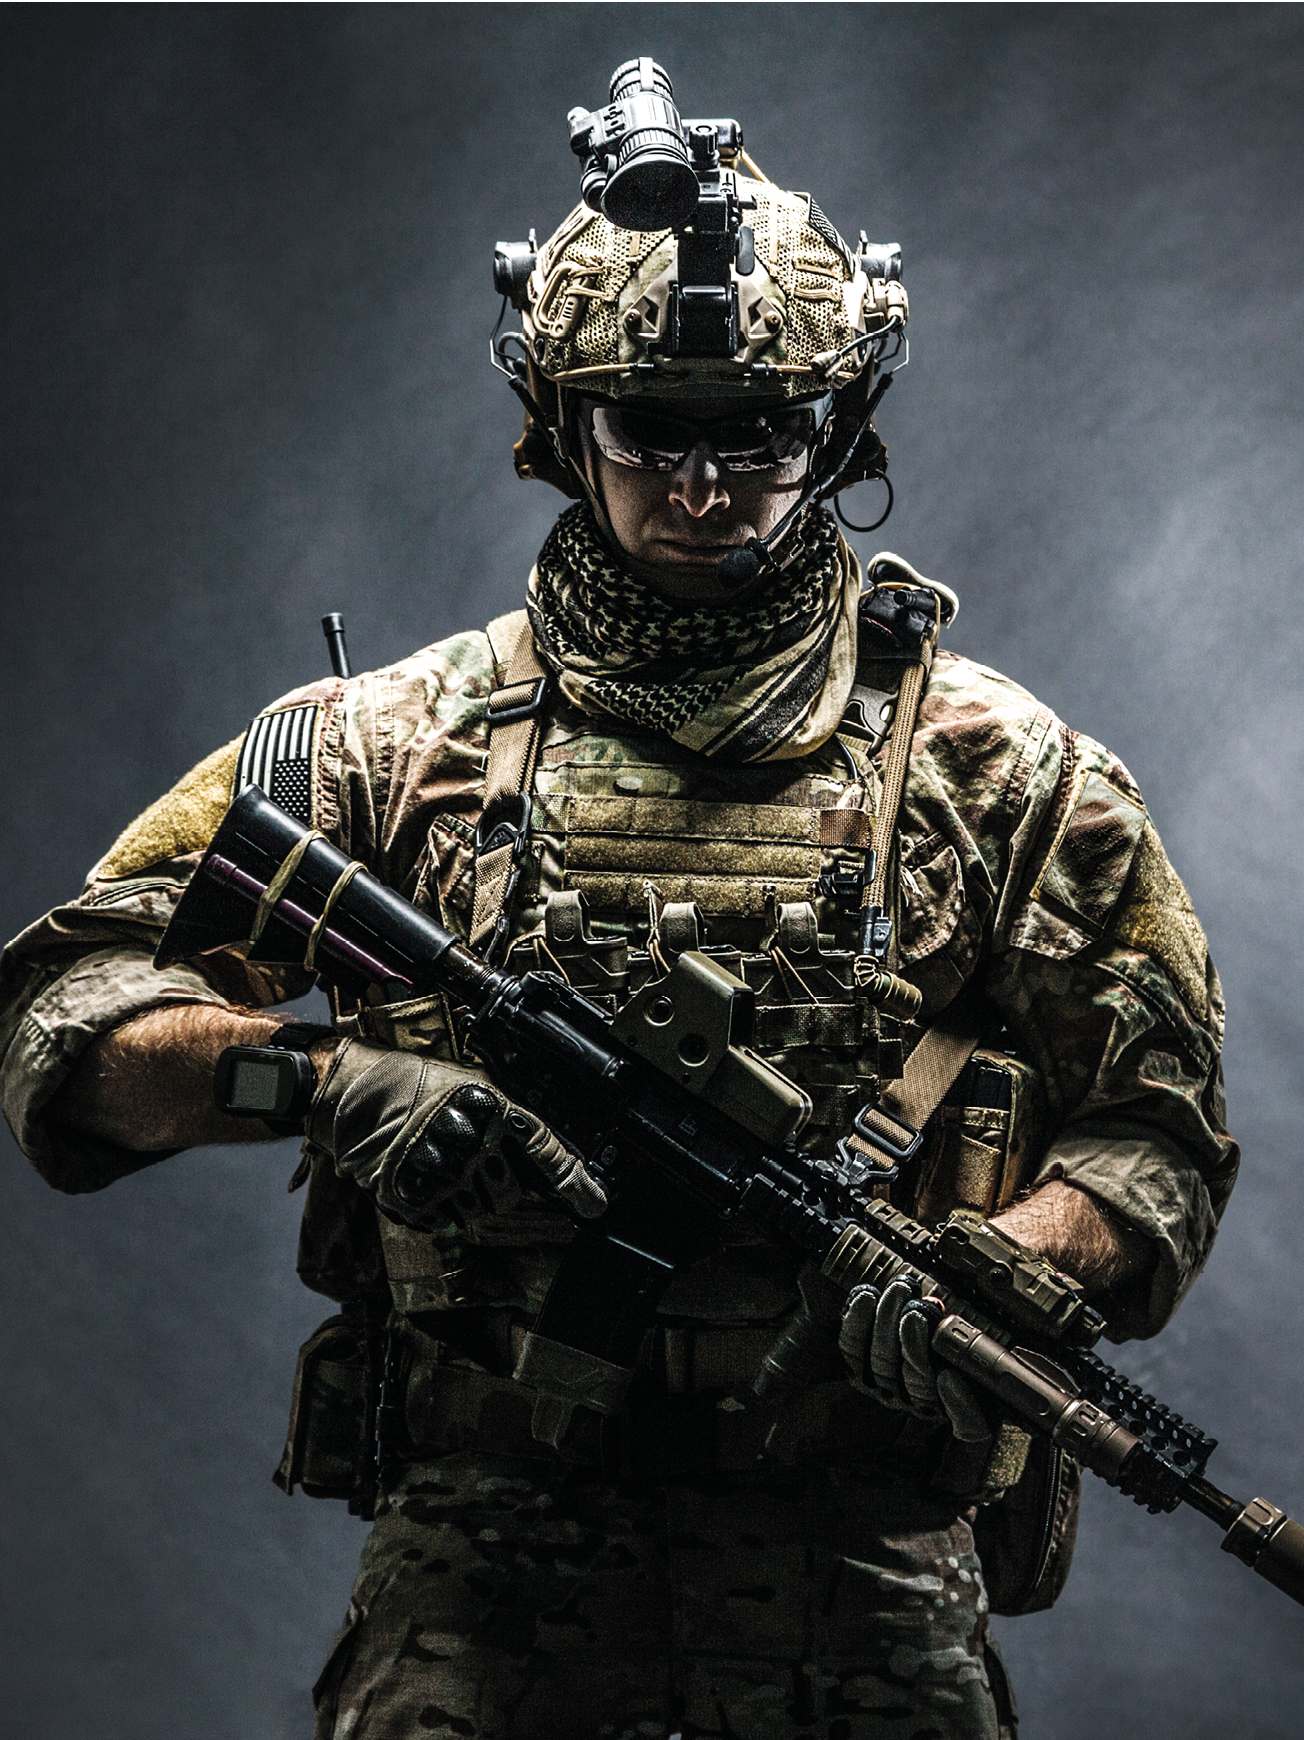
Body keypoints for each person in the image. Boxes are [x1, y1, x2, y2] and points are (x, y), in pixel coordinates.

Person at [0, 63, 1237, 1740]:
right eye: (655, 431)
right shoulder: (387, 748)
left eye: (765, 433)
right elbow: (61, 1026)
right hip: (485, 1564)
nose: (710, 484)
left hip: (858, 1560)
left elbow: (1160, 1134)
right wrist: (318, 1081)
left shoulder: (1004, 774)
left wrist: (1011, 1258)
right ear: (556, 428)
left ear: (845, 424)